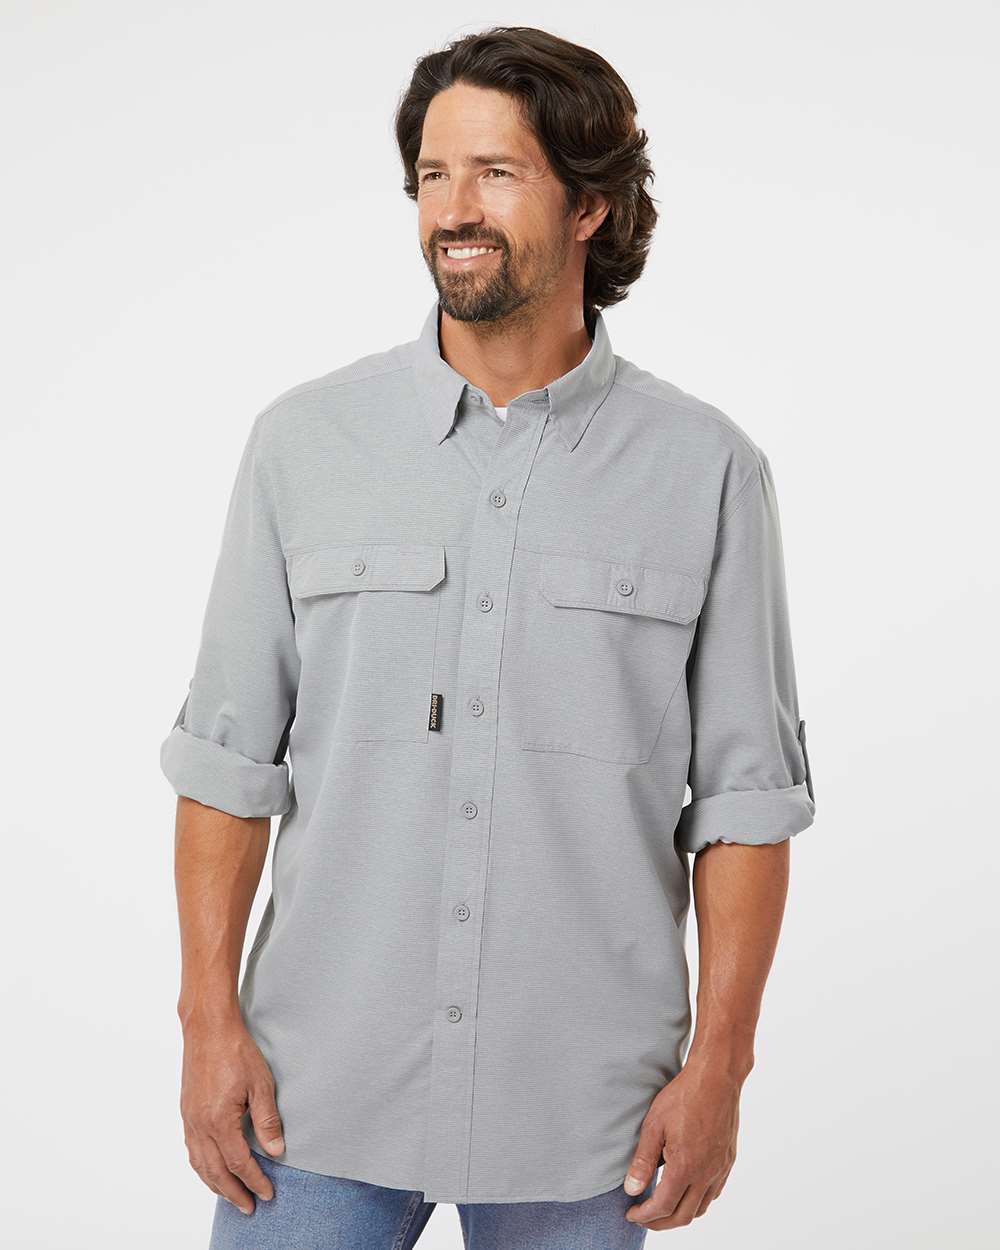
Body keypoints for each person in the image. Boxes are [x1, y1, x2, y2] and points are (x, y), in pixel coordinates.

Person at [161, 24, 816, 1249]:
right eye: (432, 174)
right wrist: (206, 1022)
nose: (453, 210)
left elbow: (745, 803)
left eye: (496, 173)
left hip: (589, 1118)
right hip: (313, 1096)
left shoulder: (708, 470)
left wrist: (720, 1067)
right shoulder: (303, 444)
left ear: (591, 206)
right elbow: (226, 765)